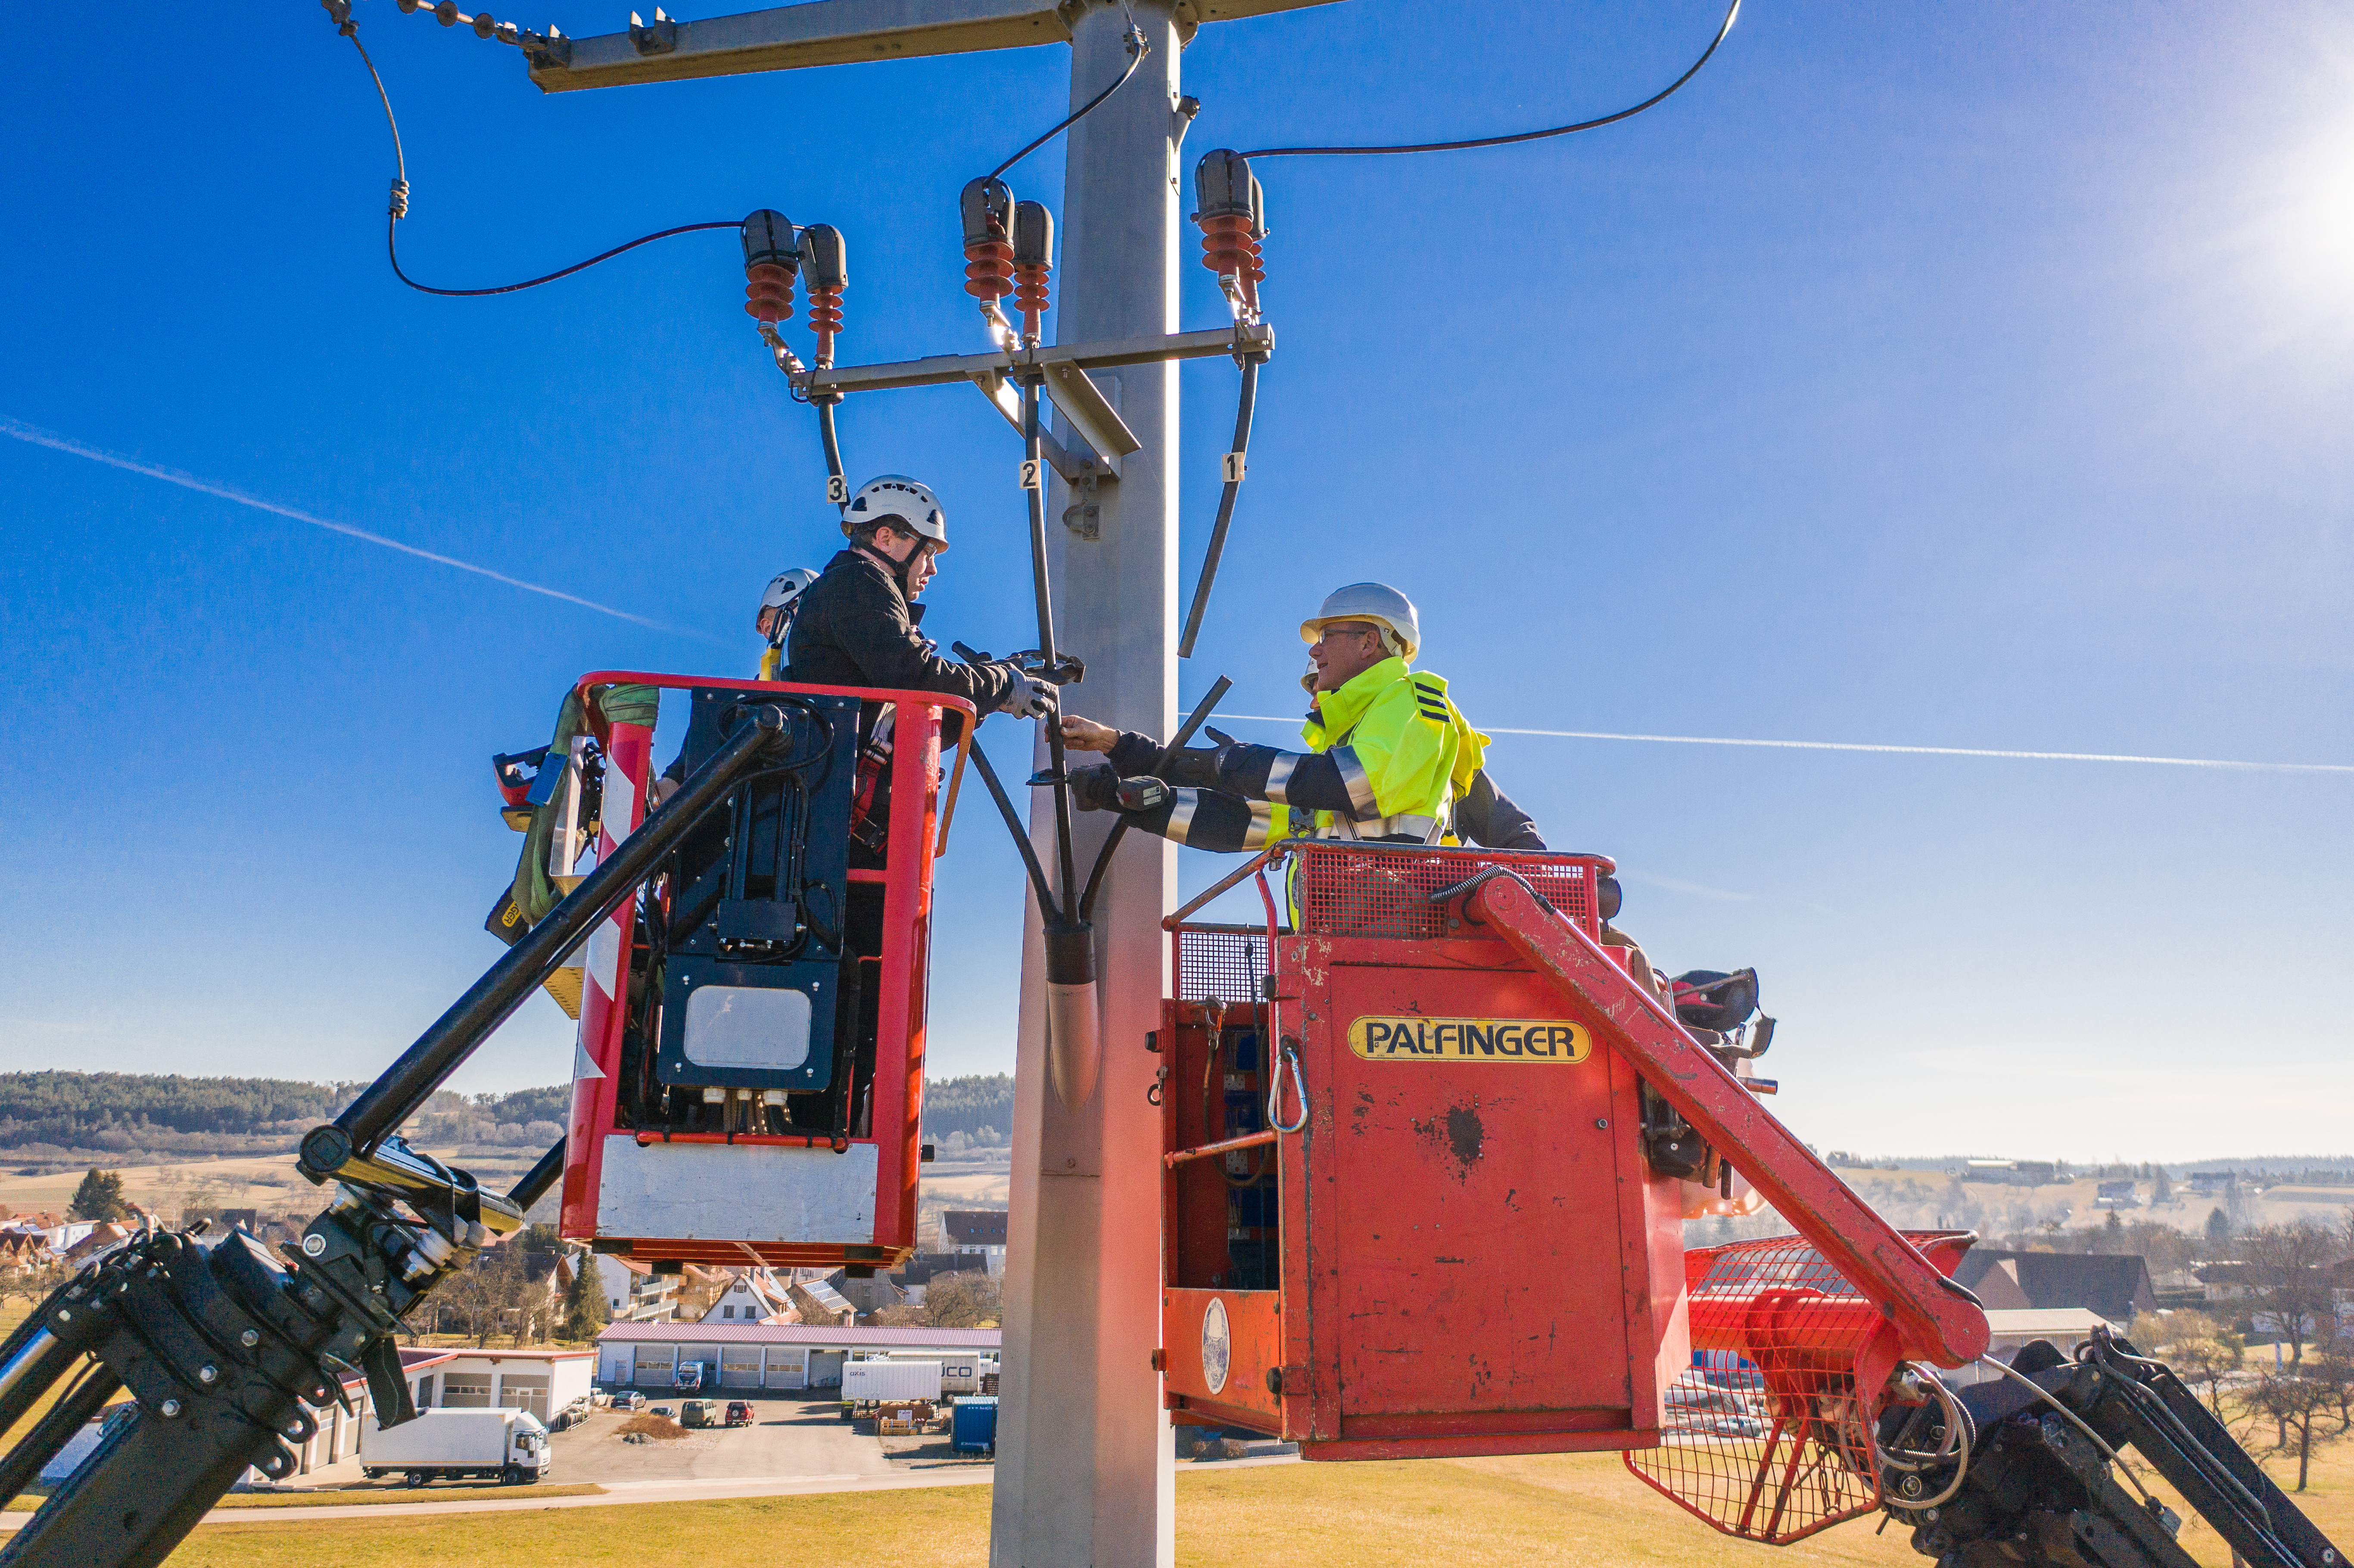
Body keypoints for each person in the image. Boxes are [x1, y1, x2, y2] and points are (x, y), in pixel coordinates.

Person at [1058, 582, 1539, 852]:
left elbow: (1347, 784)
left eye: (1328, 636)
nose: (1315, 650)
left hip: (1402, 931)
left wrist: (1231, 763)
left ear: (1370, 642)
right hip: (1349, 942)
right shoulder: (1344, 745)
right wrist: (1125, 780)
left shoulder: (1410, 703)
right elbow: (1241, 823)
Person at [786, 474, 1053, 718]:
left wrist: (995, 691)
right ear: (886, 539)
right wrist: (1001, 682)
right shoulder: (856, 583)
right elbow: (918, 677)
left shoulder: (852, 590)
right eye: (928, 553)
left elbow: (927, 715)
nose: (933, 569)